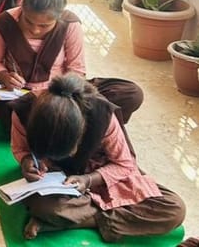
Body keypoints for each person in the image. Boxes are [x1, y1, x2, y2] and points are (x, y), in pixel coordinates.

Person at [10, 74, 185, 242]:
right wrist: (27, 161)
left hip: (101, 172)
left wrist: (88, 179)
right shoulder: (24, 110)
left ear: (81, 132)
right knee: (44, 207)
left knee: (174, 210)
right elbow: (20, 149)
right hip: (59, 179)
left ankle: (70, 221)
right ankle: (65, 217)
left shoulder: (102, 114)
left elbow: (124, 164)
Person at [0, 0, 144, 127]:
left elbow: (76, 70)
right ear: (22, 9)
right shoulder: (4, 23)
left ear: (58, 18)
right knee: (7, 111)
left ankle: (62, 122)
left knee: (131, 94)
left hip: (64, 92)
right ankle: (76, 125)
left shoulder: (69, 24)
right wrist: (4, 76)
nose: (35, 29)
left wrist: (61, 95)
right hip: (24, 96)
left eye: (44, 26)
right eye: (28, 21)